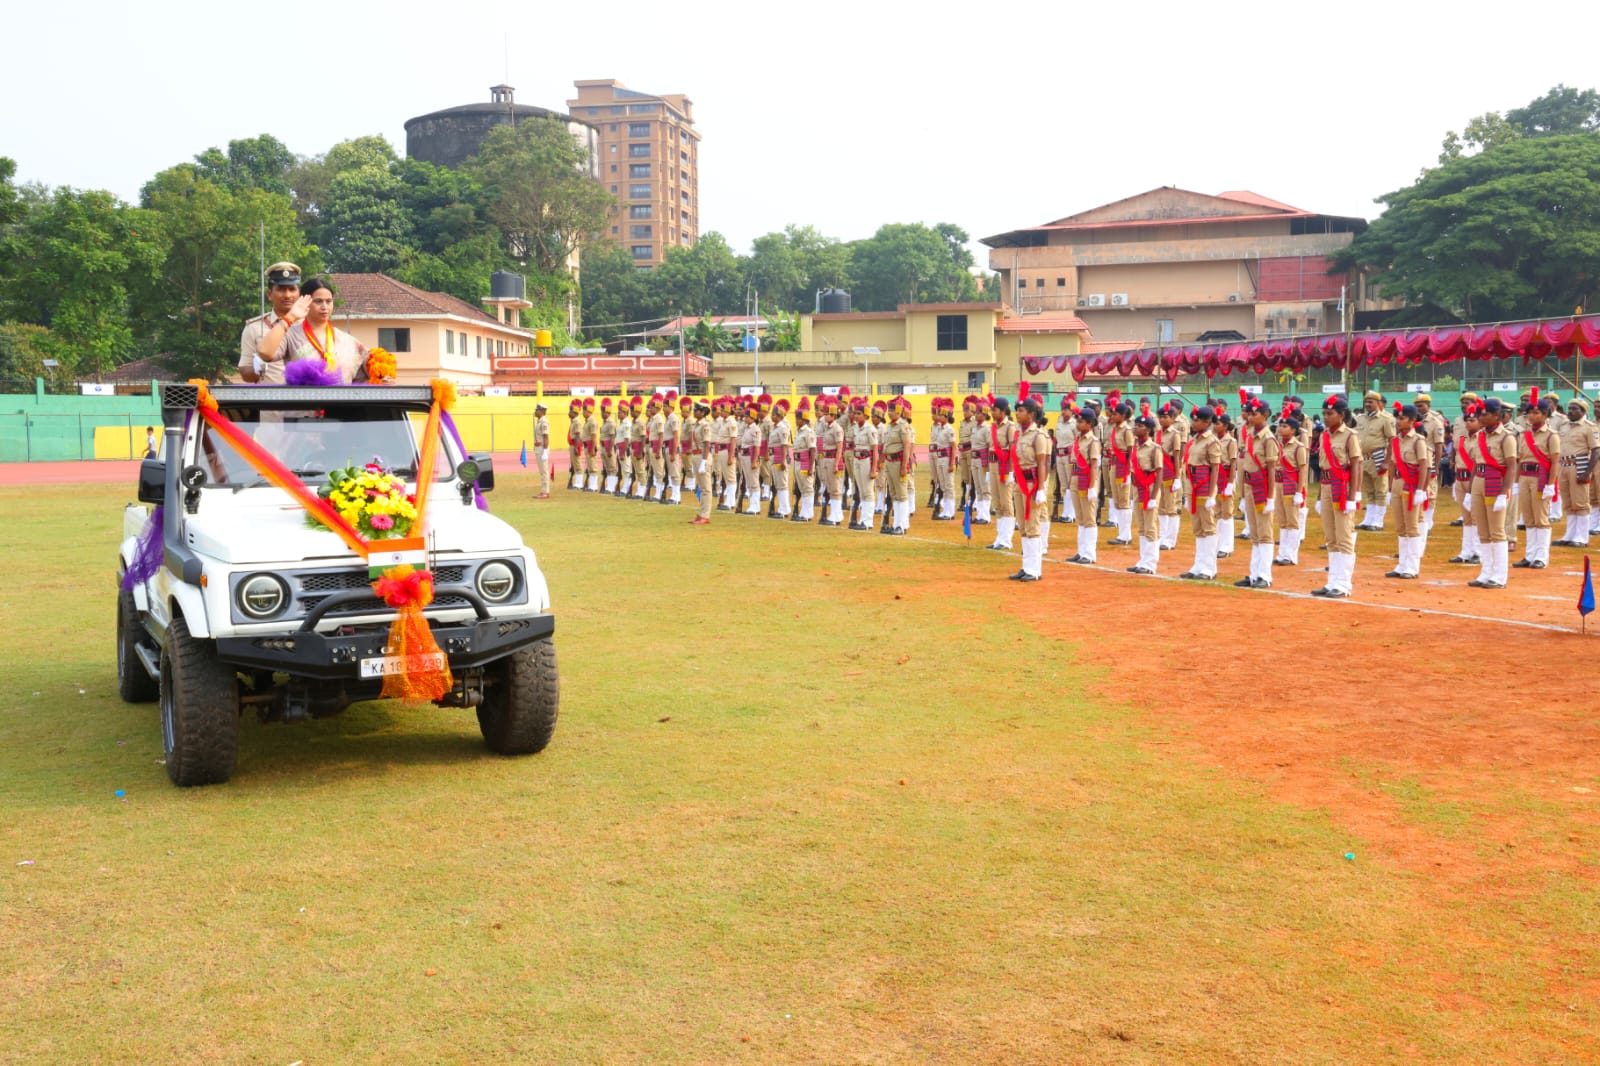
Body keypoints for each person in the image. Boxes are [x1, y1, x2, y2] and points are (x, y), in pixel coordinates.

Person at [256, 276, 368, 383]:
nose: (324, 307)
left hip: (341, 402)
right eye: (318, 301)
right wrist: (289, 318)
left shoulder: (347, 340)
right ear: (305, 302)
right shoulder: (291, 335)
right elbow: (264, 353)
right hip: (305, 401)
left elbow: (364, 377)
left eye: (328, 301)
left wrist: (383, 378)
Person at [1313, 397, 1363, 598]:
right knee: (1331, 537)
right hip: (1325, 486)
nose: (1326, 417)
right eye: (1324, 413)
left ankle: (1343, 584)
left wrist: (1354, 495)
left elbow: (1356, 465)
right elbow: (1323, 468)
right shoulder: (1325, 435)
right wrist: (1318, 495)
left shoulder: (1350, 436)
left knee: (1343, 536)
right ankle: (1332, 581)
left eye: (1330, 413)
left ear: (1341, 415)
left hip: (1342, 487)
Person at [1467, 398, 1517, 589]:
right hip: (1480, 481)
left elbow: (1511, 466)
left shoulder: (1507, 437)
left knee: (1497, 531)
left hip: (1495, 482)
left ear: (1496, 415)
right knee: (1483, 530)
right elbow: (1476, 464)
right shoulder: (1480, 436)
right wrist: (1470, 491)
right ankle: (1486, 571)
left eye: (1485, 414)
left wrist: (1504, 493)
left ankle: (1499, 575)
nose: (1481, 417)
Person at [1513, 391, 1561, 570]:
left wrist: (1550, 484)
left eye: (1536, 412)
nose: (1532, 416)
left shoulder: (1551, 436)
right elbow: (1520, 460)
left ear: (1545, 414)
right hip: (1525, 477)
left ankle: (1541, 556)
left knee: (1541, 518)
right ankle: (1530, 554)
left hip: (1541, 477)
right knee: (1528, 518)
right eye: (1529, 412)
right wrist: (1517, 482)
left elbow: (1555, 461)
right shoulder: (1524, 435)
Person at [1385, 404, 1433, 579]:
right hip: (1398, 483)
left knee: (1412, 526)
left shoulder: (1418, 440)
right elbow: (1392, 465)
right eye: (1397, 418)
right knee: (1400, 526)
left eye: (1402, 418)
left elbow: (1424, 466)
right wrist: (1390, 489)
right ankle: (1402, 564)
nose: (1398, 421)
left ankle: (1412, 566)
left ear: (1413, 421)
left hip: (1411, 484)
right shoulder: (1395, 441)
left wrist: (1421, 490)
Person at [1235, 397, 1279, 589]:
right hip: (1250, 486)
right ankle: (1254, 574)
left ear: (1265, 415)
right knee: (1254, 532)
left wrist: (1270, 497)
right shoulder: (1249, 435)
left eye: (1255, 414)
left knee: (1265, 532)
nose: (1251, 417)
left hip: (1262, 488)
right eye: (1249, 413)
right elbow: (1245, 465)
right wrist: (1243, 495)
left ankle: (1264, 575)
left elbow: (1270, 469)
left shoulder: (1268, 439)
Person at [1007, 390, 1051, 581]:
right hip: (1019, 483)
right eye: (1017, 410)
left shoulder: (1038, 436)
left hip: (1032, 484)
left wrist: (1041, 488)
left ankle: (1035, 569)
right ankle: (1026, 566)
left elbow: (1043, 463)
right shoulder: (1019, 435)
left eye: (1022, 410)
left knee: (1032, 525)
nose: (1018, 413)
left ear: (1031, 414)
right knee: (1023, 526)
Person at [1179, 406, 1223, 581]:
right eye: (1193, 419)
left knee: (1208, 527)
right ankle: (1198, 565)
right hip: (1192, 486)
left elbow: (1215, 469)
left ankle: (1209, 567)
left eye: (1197, 420)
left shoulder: (1211, 441)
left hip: (1204, 486)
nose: (1193, 422)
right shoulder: (1194, 440)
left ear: (1207, 422)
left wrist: (1212, 494)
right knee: (1198, 528)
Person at [238, 262, 301, 383]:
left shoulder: (309, 326)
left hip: (306, 398)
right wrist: (257, 368)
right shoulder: (255, 327)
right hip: (268, 399)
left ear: (299, 293)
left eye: (292, 289)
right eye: (281, 289)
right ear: (269, 294)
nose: (287, 295)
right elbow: (245, 374)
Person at [1555, 397, 1600, 546]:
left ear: (1583, 411)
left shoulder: (1589, 427)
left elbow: (1595, 451)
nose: (1571, 411)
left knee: (1580, 502)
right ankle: (1570, 534)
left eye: (1575, 409)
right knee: (1568, 502)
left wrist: (1587, 472)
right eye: (1570, 408)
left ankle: (1581, 536)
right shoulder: (1564, 426)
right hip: (1563, 465)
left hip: (1579, 464)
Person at [1063, 404, 1102, 565]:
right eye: (1078, 421)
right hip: (1076, 478)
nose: (1078, 424)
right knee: (1080, 517)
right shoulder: (1077, 439)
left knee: (1089, 518)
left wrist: (1092, 487)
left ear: (1090, 424)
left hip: (1087, 480)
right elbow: (1073, 461)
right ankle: (1081, 551)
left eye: (1082, 422)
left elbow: (1093, 465)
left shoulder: (1093, 442)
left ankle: (1090, 553)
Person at [1354, 390, 1397, 531]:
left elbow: (1392, 440)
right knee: (1369, 490)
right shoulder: (1360, 418)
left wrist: (1387, 461)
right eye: (1366, 401)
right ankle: (1368, 519)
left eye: (1371, 402)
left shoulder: (1386, 419)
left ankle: (1378, 521)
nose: (1367, 404)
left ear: (1378, 403)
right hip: (1363, 458)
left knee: (1380, 490)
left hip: (1378, 457)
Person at [1127, 414, 1164, 575]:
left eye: (1140, 426)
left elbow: (1159, 472)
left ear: (1148, 430)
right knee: (1141, 526)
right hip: (1138, 488)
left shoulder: (1154, 448)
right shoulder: (1135, 447)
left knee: (1150, 526)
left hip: (1149, 487)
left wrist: (1154, 497)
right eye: (1135, 425)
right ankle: (1143, 560)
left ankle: (1151, 563)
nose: (1136, 428)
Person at [1447, 405, 1483, 565]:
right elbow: (1458, 460)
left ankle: (1478, 551)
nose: (1469, 423)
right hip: (1460, 479)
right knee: (1466, 519)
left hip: (1473, 479)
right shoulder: (1462, 439)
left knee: (1476, 517)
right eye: (1467, 420)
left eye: (1472, 420)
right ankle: (1466, 551)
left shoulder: (1482, 439)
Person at [1273, 414, 1309, 567]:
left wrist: (1299, 491)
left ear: (1293, 430)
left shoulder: (1298, 447)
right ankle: (1282, 553)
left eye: (1285, 426)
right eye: (1280, 426)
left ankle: (1291, 555)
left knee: (1292, 520)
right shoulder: (1277, 444)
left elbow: (1302, 469)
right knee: (1282, 519)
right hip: (1278, 483)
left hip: (1291, 484)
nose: (1281, 428)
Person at [1413, 392, 1448, 537]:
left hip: (1430, 459)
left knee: (1430, 493)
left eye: (1421, 406)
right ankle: (1419, 520)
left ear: (1428, 405)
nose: (1419, 408)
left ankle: (1428, 522)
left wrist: (1437, 465)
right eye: (1417, 406)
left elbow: (1439, 445)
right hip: (1414, 460)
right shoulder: (1413, 420)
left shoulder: (1435, 421)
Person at [879, 396, 915, 534]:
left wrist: (904, 465)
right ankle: (896, 524)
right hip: (889, 462)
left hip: (898, 462)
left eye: (892, 410)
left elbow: (907, 446)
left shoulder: (903, 426)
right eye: (889, 410)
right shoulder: (889, 426)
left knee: (902, 494)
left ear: (899, 411)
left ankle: (902, 525)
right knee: (894, 494)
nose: (889, 413)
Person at [987, 397, 1019, 551]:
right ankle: (999, 538)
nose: (992, 412)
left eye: (995, 410)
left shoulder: (1010, 427)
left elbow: (1012, 450)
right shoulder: (993, 427)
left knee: (1006, 503)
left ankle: (1006, 539)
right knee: (997, 504)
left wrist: (1011, 472)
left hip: (1004, 466)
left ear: (1003, 410)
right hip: (993, 466)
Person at [1105, 401, 1136, 546]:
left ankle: (1126, 535)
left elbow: (1131, 451)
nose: (1113, 415)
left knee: (1124, 501)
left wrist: (1128, 470)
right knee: (1117, 500)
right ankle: (1121, 533)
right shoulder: (1115, 429)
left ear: (1123, 415)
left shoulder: (1127, 431)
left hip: (1123, 466)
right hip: (1114, 465)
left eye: (1116, 413)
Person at [1157, 402, 1185, 551]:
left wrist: (1177, 476)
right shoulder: (1157, 433)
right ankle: (1162, 535)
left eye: (1166, 417)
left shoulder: (1175, 434)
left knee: (1171, 507)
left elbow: (1177, 456)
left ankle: (1171, 539)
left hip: (1169, 471)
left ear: (1173, 418)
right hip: (1158, 473)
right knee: (1161, 507)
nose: (1163, 420)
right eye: (1161, 417)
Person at [817, 396, 847, 526]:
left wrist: (836, 463)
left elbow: (840, 447)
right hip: (826, 459)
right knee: (829, 487)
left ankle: (837, 514)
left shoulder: (837, 428)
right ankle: (834, 514)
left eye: (827, 414)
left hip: (834, 459)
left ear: (833, 415)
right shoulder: (826, 427)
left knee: (835, 488)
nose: (825, 416)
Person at [848, 398, 877, 530]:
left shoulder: (870, 429)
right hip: (857, 459)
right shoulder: (856, 429)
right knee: (860, 491)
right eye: (855, 413)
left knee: (867, 491)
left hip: (866, 460)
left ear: (866, 415)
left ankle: (867, 521)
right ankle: (863, 520)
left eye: (859, 413)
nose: (856, 415)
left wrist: (874, 468)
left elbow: (875, 449)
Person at [928, 398, 957, 520]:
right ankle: (945, 510)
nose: (938, 416)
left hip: (946, 458)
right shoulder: (939, 428)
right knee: (943, 486)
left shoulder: (949, 429)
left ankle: (950, 512)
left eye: (940, 414)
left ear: (946, 416)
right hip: (939, 457)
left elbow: (953, 447)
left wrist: (952, 463)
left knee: (949, 485)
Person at [791, 397, 817, 523]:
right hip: (797, 462)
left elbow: (812, 450)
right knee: (801, 488)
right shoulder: (798, 431)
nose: (796, 421)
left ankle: (808, 513)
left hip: (806, 462)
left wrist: (811, 467)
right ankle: (804, 511)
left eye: (798, 419)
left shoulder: (808, 432)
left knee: (807, 487)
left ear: (804, 420)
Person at [768, 398, 794, 519]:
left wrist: (783, 460)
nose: (772, 417)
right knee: (778, 484)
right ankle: (782, 508)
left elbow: (784, 445)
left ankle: (785, 509)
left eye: (774, 415)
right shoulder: (775, 427)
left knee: (782, 484)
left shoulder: (783, 428)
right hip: (774, 456)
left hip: (779, 456)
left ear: (779, 416)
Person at [969, 398, 993, 524]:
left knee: (985, 488)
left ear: (985, 415)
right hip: (974, 459)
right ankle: (979, 514)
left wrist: (988, 464)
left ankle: (985, 516)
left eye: (979, 412)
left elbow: (990, 446)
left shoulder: (986, 429)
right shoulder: (974, 428)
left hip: (983, 460)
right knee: (978, 487)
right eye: (976, 412)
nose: (976, 414)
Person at [532, 403, 552, 498]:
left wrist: (545, 451)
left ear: (542, 411)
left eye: (537, 410)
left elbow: (546, 437)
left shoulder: (544, 422)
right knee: (542, 471)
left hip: (542, 449)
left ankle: (545, 492)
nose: (535, 412)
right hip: (539, 448)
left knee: (544, 471)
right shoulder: (539, 421)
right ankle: (543, 490)